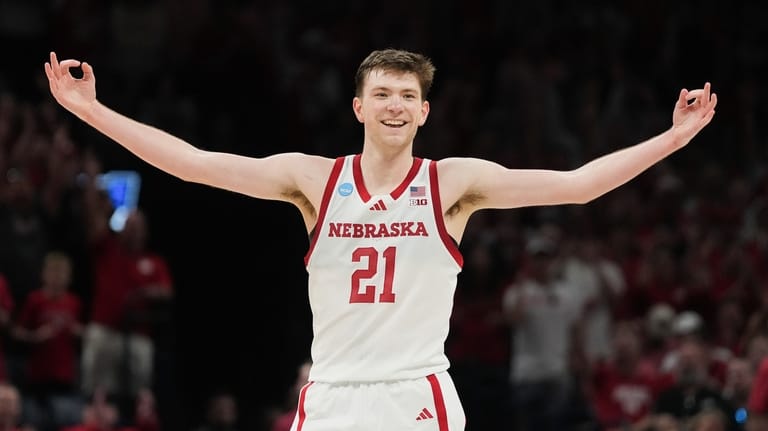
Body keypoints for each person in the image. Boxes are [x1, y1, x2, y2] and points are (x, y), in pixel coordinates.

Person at [43, 48, 717, 430]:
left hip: (415, 390)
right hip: (333, 392)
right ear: (360, 106)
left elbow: (576, 184)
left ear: (423, 111)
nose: (394, 103)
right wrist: (92, 110)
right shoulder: (312, 179)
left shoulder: (451, 183)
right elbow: (191, 162)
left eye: (406, 94)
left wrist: (674, 138)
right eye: (382, 92)